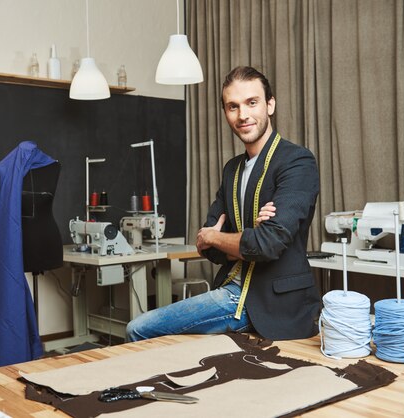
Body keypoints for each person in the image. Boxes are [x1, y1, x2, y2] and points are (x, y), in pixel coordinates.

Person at [126, 66, 320, 342]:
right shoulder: (233, 169)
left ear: (270, 105)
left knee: (138, 328)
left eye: (252, 103)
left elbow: (268, 243)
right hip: (230, 291)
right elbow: (207, 247)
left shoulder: (297, 161)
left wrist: (219, 237)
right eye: (233, 107)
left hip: (269, 304)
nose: (243, 115)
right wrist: (237, 240)